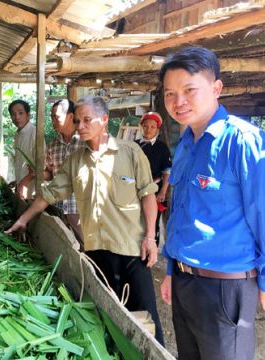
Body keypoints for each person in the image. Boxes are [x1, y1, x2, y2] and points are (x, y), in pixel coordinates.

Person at [6, 96, 165, 345]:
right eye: (78, 120)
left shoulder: (130, 152)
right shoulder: (75, 160)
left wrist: (150, 239)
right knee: (109, 321)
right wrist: (24, 219)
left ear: (104, 120)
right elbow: (48, 195)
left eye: (87, 120)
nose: (80, 126)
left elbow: (148, 195)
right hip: (96, 253)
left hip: (133, 252)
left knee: (147, 325)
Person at [159, 47, 264, 360]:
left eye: (189, 90)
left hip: (225, 288)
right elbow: (180, 214)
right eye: (170, 94)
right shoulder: (186, 145)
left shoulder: (243, 141)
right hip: (183, 281)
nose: (178, 102)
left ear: (216, 88)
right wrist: (170, 269)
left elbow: (263, 211)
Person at [18, 99, 85, 243]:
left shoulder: (85, 142)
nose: (53, 121)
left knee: (88, 250)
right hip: (59, 208)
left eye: (57, 117)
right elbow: (50, 174)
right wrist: (37, 174)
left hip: (81, 209)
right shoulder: (53, 145)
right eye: (51, 117)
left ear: (71, 117)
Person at [135, 112, 172, 246]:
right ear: (141, 127)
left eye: (152, 127)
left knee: (152, 223)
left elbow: (167, 171)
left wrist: (162, 191)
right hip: (135, 190)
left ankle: (151, 251)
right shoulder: (134, 146)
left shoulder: (162, 147)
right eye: (146, 126)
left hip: (154, 190)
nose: (148, 129)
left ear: (157, 129)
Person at [9, 100, 38, 199]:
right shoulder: (17, 134)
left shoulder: (35, 133)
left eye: (20, 113)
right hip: (21, 186)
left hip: (32, 188)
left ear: (28, 115)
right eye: (13, 114)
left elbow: (41, 165)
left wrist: (24, 182)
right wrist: (17, 181)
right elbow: (19, 161)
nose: (17, 117)